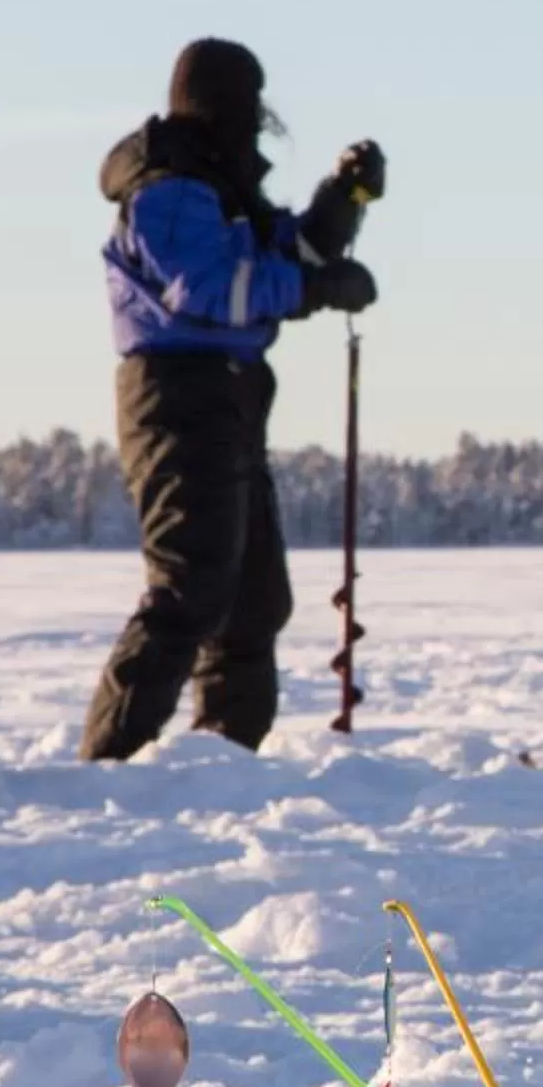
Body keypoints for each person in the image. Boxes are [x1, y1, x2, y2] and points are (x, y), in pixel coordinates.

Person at [78, 39, 383, 761]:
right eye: (251, 109)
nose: (259, 125)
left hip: (227, 395)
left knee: (252, 601)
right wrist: (315, 291)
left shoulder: (217, 182)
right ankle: (108, 766)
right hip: (177, 397)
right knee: (191, 589)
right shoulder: (171, 185)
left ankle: (224, 760)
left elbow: (290, 252)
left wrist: (343, 202)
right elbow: (208, 291)